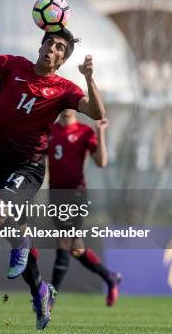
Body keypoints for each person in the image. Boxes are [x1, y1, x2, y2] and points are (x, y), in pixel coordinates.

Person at [0, 7, 105, 329]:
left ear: (62, 58)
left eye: (60, 48)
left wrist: (88, 77)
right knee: (9, 230)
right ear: (41, 45)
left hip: (28, 166)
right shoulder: (13, 65)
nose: (52, 50)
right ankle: (40, 290)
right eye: (50, 43)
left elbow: (96, 111)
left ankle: (24, 246)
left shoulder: (65, 89)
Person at [48, 110, 122, 307]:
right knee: (76, 248)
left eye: (69, 102)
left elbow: (101, 162)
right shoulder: (49, 130)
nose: (65, 107)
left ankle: (50, 298)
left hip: (76, 194)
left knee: (64, 241)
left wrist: (100, 132)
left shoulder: (84, 131)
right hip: (55, 195)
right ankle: (109, 277)